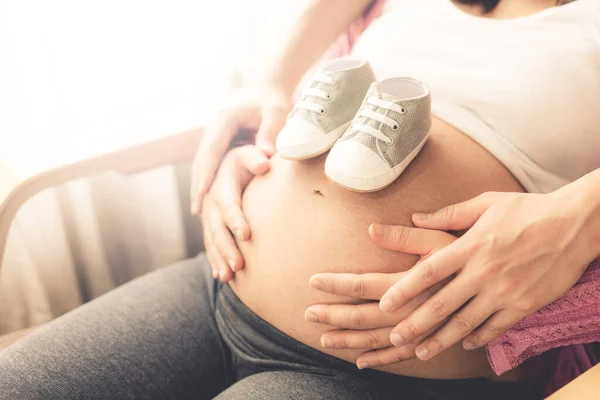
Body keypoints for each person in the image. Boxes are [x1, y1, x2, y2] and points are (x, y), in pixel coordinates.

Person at [0, 0, 598, 399]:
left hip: (381, 369)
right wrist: (267, 108)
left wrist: (579, 219)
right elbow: (301, 74)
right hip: (219, 284)